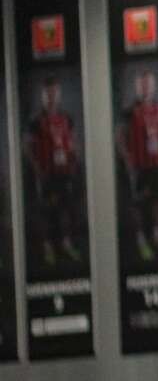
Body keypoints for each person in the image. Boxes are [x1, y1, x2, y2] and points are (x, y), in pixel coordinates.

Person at [115, 69, 158, 262]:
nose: (145, 87)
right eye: (142, 84)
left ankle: (157, 235)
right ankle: (141, 240)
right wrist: (127, 158)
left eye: (148, 84)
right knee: (139, 203)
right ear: (137, 87)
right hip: (139, 166)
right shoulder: (129, 110)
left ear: (153, 86)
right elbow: (119, 136)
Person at [25, 79, 80, 267]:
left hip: (63, 171)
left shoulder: (66, 117)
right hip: (46, 173)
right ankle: (48, 247)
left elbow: (72, 142)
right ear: (43, 96)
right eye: (48, 93)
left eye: (54, 93)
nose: (51, 97)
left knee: (65, 208)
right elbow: (28, 147)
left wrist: (73, 161)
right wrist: (37, 168)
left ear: (58, 94)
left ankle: (66, 243)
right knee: (46, 211)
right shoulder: (35, 121)